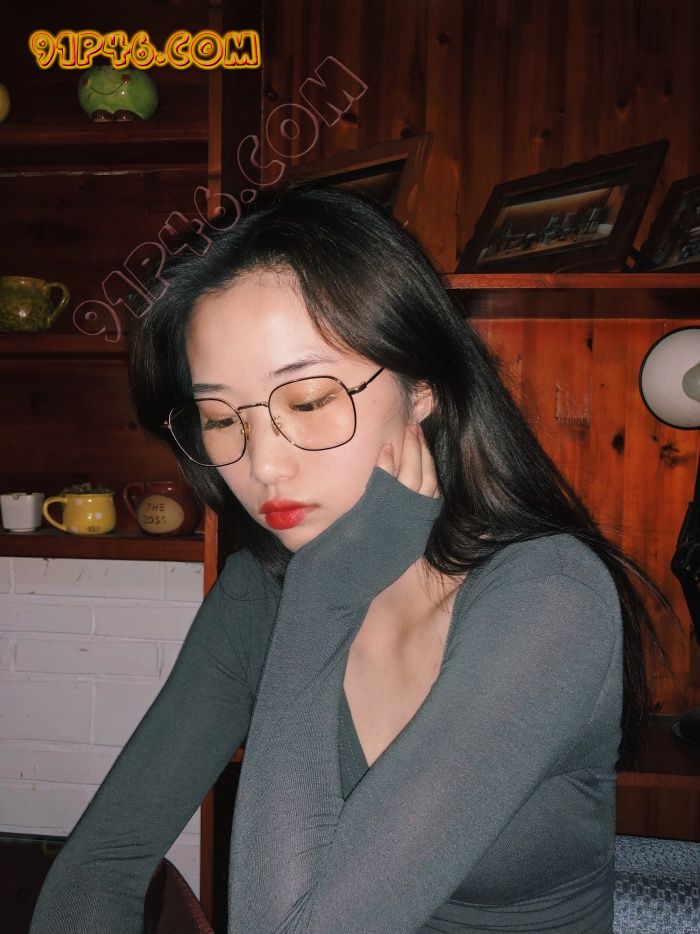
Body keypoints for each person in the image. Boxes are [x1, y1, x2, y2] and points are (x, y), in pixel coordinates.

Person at [29, 183, 673, 934]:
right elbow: (101, 865)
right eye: (219, 418)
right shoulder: (257, 593)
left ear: (421, 385)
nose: (262, 466)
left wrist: (325, 596)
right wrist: (319, 590)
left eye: (307, 400)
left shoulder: (549, 596)